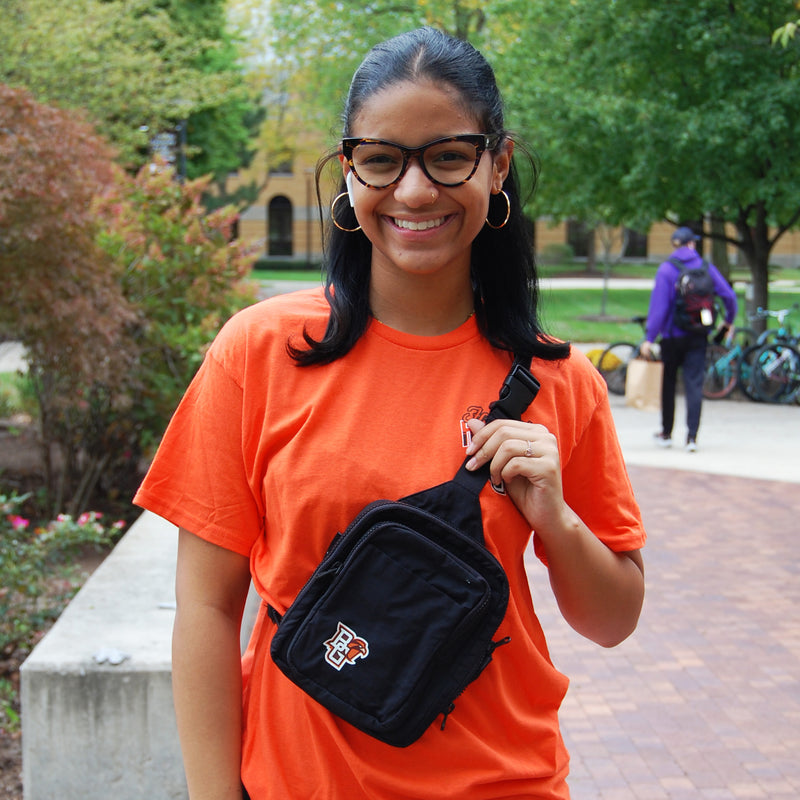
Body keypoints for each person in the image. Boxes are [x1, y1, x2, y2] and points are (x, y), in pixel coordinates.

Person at [134, 27, 646, 800]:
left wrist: (557, 519)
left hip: (504, 781)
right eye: (382, 160)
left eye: (448, 157)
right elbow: (207, 607)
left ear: (497, 163)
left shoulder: (558, 380)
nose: (413, 191)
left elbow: (613, 619)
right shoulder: (261, 351)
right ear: (349, 170)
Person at [640, 226, 738, 452]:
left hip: (672, 337)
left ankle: (666, 433)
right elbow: (729, 297)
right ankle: (692, 438)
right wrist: (728, 320)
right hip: (698, 336)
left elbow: (659, 307)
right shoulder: (706, 268)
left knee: (669, 384)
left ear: (675, 245)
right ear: (692, 244)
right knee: (694, 384)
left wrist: (650, 337)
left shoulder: (666, 270)